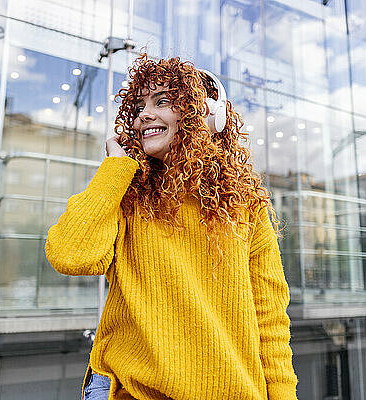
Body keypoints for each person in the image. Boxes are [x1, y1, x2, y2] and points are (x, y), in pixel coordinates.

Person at [45, 54, 298, 400]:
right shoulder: (125, 194)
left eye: (162, 101)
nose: (143, 115)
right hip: (134, 391)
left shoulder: (247, 207)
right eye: (139, 107)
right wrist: (115, 168)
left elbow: (269, 318)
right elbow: (70, 255)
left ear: (207, 115)